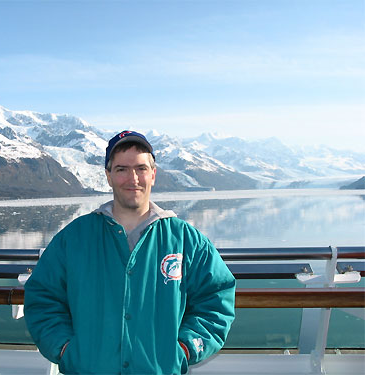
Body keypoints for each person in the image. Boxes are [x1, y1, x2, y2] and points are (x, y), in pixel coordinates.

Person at [24, 130, 236, 374]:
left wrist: (185, 348)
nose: (132, 178)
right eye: (121, 169)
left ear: (153, 174)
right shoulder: (73, 238)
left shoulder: (187, 240)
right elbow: (42, 297)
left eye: (141, 168)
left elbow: (216, 299)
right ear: (108, 176)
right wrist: (65, 348)